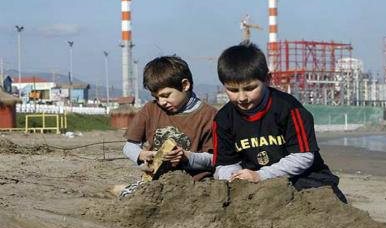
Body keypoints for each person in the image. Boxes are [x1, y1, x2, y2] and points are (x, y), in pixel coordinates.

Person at [212, 42, 347, 203]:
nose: (242, 98)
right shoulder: (223, 119)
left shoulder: (290, 109)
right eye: (233, 90)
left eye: (249, 89)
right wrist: (236, 179)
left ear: (267, 79)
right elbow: (226, 163)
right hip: (254, 178)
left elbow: (303, 157)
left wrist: (261, 175)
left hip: (303, 176)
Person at [113, 56, 217, 198]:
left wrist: (188, 157)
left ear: (185, 85)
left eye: (166, 95)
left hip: (197, 184)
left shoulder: (209, 115)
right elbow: (129, 147)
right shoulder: (150, 109)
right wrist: (141, 155)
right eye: (156, 97)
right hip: (155, 183)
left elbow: (214, 159)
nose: (162, 102)